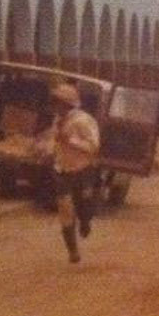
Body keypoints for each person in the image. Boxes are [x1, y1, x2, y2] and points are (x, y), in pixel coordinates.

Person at [49, 82, 100, 264]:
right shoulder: (58, 120)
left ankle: (85, 222)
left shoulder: (84, 121)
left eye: (57, 102)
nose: (54, 106)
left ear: (67, 103)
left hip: (83, 170)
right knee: (65, 208)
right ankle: (73, 251)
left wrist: (71, 140)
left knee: (84, 206)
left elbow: (93, 147)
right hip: (62, 170)